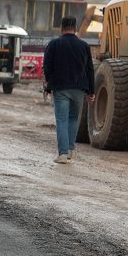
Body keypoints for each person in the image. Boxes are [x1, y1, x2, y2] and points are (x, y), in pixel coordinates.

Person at [43, 15, 95, 164]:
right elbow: (90, 69)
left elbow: (47, 65)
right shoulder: (84, 46)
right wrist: (91, 91)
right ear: (76, 28)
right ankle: (71, 149)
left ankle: (63, 154)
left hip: (61, 88)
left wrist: (49, 83)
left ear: (61, 28)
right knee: (74, 119)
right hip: (79, 88)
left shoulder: (54, 44)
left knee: (61, 119)